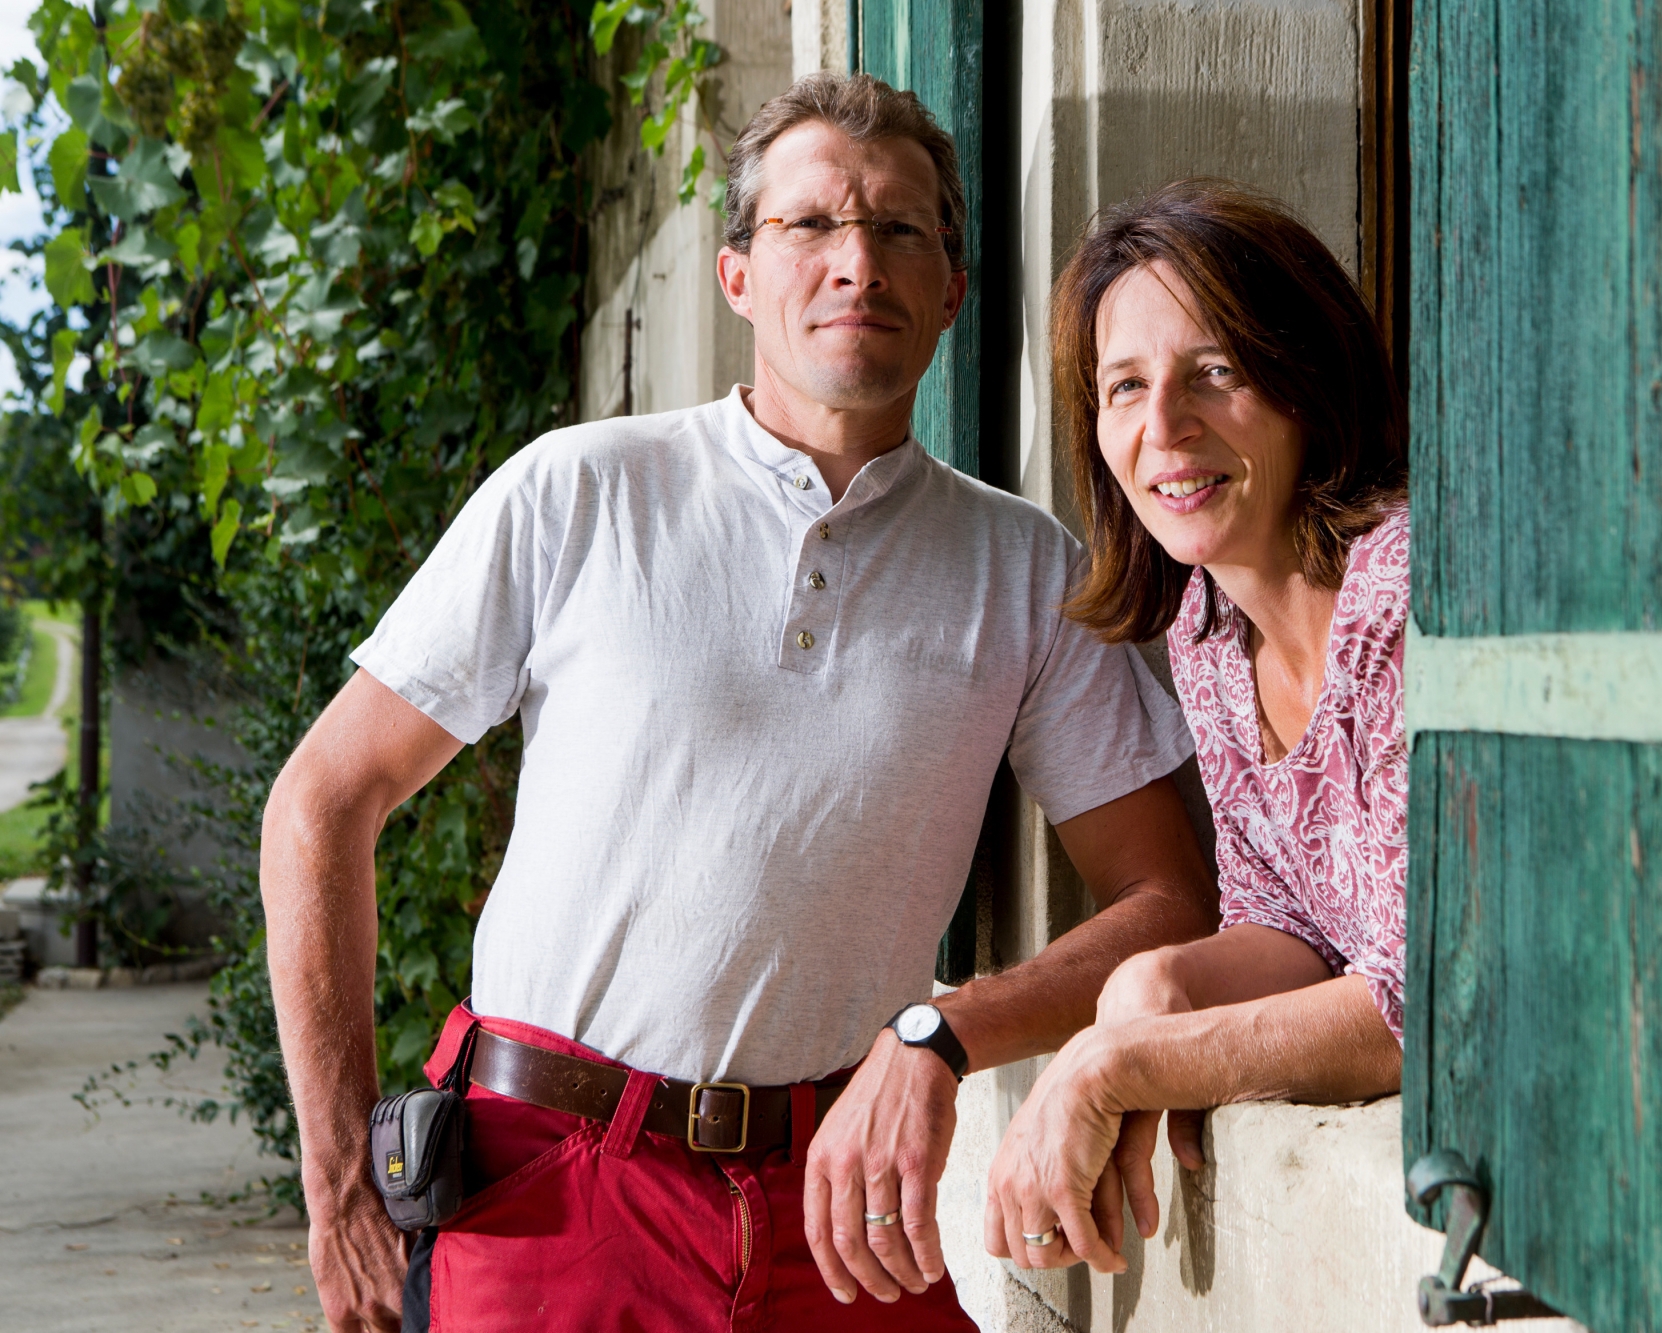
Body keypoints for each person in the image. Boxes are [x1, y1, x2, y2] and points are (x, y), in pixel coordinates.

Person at [262, 73, 1217, 1333]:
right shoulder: (580, 492)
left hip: (841, 1209)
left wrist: (942, 1033)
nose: (854, 262)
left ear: (950, 295)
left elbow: (1168, 899)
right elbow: (323, 803)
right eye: (809, 224)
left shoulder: (1026, 569)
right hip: (550, 1185)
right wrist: (335, 1183)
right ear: (735, 279)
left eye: (897, 232)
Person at [982, 179, 1410, 1275]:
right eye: (1124, 386)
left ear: (1304, 377)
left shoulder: (1406, 596)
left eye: (1213, 372)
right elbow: (1287, 925)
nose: (1162, 426)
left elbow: (1421, 1004)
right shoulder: (1208, 633)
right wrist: (1147, 1000)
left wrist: (1112, 1066)